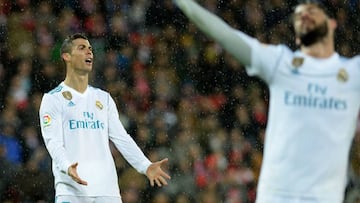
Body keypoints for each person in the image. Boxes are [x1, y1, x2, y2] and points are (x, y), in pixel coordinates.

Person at [173, 0, 360, 202]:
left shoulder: (353, 73)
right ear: (297, 36)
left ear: (332, 23)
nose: (304, 17)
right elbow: (224, 34)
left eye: (311, 12)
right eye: (299, 17)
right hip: (276, 195)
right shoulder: (280, 63)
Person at [39, 33, 171, 203]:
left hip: (107, 191)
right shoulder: (53, 99)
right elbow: (53, 142)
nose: (89, 53)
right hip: (72, 191)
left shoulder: (103, 98)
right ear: (67, 57)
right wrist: (66, 166)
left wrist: (145, 166)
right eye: (82, 48)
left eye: (90, 49)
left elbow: (122, 138)